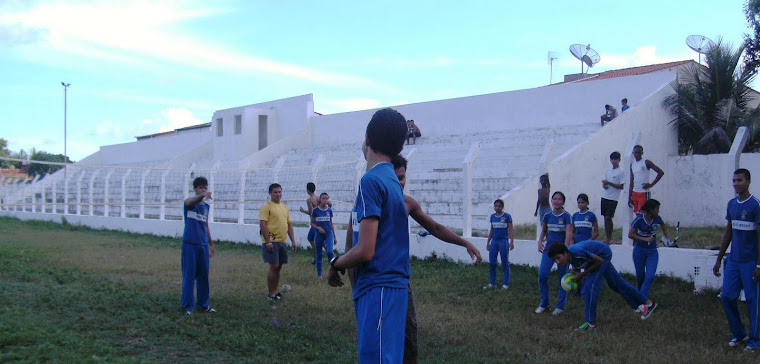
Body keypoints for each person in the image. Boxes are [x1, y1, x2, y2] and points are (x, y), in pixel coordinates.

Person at [344, 153, 482, 364]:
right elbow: (351, 246)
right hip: (371, 284)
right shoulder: (365, 203)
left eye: (402, 177)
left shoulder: (407, 203)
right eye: (396, 177)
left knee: (408, 339)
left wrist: (464, 243)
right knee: (377, 347)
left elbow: (434, 227)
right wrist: (354, 289)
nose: (400, 182)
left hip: (398, 284)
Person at [327, 108, 410, 363]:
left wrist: (335, 263)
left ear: (367, 138)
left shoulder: (370, 181)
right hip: (393, 289)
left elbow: (366, 250)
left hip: (379, 289)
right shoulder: (392, 181)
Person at [548, 241, 658, 333]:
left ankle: (591, 324)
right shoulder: (569, 257)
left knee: (589, 289)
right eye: (555, 260)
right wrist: (575, 271)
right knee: (616, 284)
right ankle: (648, 303)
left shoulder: (576, 251)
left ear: (565, 253)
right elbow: (579, 262)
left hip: (603, 255)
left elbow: (599, 261)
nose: (557, 262)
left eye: (558, 258)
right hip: (597, 258)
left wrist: (583, 275)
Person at [713, 168, 760, 352]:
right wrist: (719, 259)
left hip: (750, 262)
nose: (736, 184)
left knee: (752, 300)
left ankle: (755, 340)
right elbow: (728, 232)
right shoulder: (732, 204)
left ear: (748, 181)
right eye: (733, 180)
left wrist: (758, 264)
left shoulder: (755, 205)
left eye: (739, 180)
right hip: (733, 260)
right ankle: (740, 333)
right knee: (726, 296)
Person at [180, 176, 216, 315]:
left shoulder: (206, 206)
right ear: (195, 189)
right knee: (189, 275)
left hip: (202, 245)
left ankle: (203, 304)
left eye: (205, 187)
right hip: (190, 244)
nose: (203, 190)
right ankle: (187, 305)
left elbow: (205, 225)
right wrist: (202, 196)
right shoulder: (189, 202)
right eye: (200, 187)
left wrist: (211, 244)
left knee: (203, 276)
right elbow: (191, 201)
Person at [536, 191, 573, 315]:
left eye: (559, 199)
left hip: (562, 251)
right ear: (551, 201)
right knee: (542, 275)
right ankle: (545, 303)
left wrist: (565, 251)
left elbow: (569, 235)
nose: (556, 201)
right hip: (549, 250)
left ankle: (560, 306)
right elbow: (544, 230)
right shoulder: (547, 215)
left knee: (562, 278)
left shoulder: (567, 216)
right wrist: (540, 241)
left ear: (563, 202)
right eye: (554, 199)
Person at [260, 183, 297, 301]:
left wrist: (293, 241)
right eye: (275, 192)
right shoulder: (267, 207)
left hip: (282, 242)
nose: (278, 194)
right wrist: (268, 242)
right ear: (270, 193)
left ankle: (275, 292)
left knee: (279, 267)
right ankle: (271, 294)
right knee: (274, 266)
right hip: (272, 241)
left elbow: (289, 225)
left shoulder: (285, 207)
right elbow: (263, 224)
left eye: (279, 192)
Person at [628, 199, 671, 298]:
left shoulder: (657, 218)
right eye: (657, 209)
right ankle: (640, 296)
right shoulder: (639, 219)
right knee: (640, 276)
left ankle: (641, 299)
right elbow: (630, 234)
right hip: (639, 250)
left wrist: (666, 237)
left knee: (650, 276)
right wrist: (644, 239)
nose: (658, 211)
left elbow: (663, 225)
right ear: (651, 210)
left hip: (652, 251)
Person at [485, 199, 514, 290]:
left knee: (504, 262)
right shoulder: (492, 217)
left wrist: (512, 241)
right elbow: (492, 230)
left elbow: (511, 230)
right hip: (494, 241)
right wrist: (488, 242)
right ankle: (492, 282)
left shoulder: (507, 216)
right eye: (495, 206)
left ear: (502, 207)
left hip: (503, 241)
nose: (497, 208)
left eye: (499, 206)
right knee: (492, 263)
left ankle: (505, 283)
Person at [628, 145, 664, 214]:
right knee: (637, 213)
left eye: (639, 152)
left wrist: (651, 184)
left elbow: (660, 172)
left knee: (644, 213)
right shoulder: (632, 165)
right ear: (633, 153)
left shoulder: (646, 162)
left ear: (642, 153)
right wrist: (629, 197)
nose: (637, 154)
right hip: (635, 192)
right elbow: (631, 181)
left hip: (644, 193)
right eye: (635, 153)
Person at [311, 192, 337, 279]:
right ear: (320, 200)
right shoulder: (316, 210)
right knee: (319, 254)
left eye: (327, 198)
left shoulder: (329, 210)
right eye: (323, 198)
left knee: (330, 252)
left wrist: (335, 236)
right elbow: (312, 223)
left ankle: (332, 272)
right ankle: (319, 274)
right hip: (319, 234)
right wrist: (318, 228)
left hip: (328, 233)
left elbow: (331, 223)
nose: (325, 200)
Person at [601, 151, 625, 244]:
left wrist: (609, 183)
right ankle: (607, 237)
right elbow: (606, 185)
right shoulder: (608, 171)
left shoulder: (621, 171)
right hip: (605, 196)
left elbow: (622, 186)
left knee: (608, 217)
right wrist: (605, 185)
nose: (614, 161)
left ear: (619, 160)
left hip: (613, 198)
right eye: (612, 159)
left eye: (616, 159)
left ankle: (610, 237)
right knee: (605, 217)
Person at [299, 182, 319, 264]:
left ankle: (318, 256)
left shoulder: (309, 200)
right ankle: (317, 256)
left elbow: (311, 212)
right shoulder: (318, 197)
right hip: (320, 221)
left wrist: (303, 211)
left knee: (312, 239)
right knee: (313, 239)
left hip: (314, 222)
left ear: (307, 190)